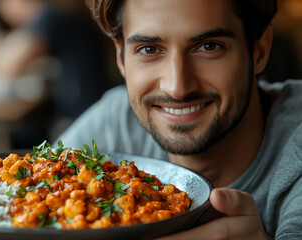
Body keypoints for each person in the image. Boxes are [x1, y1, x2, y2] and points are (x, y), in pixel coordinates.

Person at [57, 0, 302, 239]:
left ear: (259, 51)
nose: (177, 88)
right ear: (121, 58)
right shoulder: (113, 123)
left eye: (208, 47)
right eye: (149, 49)